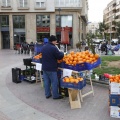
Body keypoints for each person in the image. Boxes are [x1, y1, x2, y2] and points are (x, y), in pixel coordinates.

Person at [41, 35, 64, 99]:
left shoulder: (44, 47)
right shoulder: (53, 48)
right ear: (53, 41)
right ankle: (55, 95)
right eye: (55, 41)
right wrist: (62, 53)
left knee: (46, 82)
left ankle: (47, 94)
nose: (56, 42)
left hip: (44, 68)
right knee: (54, 82)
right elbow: (59, 56)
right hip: (52, 68)